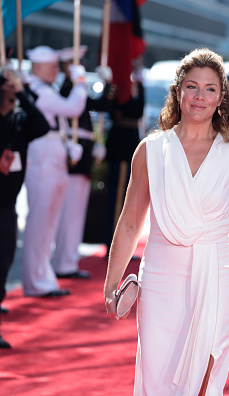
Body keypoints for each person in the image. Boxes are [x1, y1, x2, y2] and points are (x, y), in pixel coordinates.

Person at [103, 48, 229, 395]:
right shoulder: (150, 149)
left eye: (210, 88)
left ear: (222, 97)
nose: (200, 96)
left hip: (216, 275)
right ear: (178, 92)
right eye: (192, 86)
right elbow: (131, 222)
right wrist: (111, 281)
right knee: (158, 374)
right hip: (161, 275)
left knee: (204, 378)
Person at [21, 45, 87, 297]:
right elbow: (73, 108)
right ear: (38, 69)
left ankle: (43, 278)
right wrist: (81, 81)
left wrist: (67, 147)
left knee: (48, 224)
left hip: (52, 156)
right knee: (40, 223)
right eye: (52, 67)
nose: (56, 71)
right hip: (42, 161)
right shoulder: (39, 91)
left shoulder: (43, 89)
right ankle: (36, 281)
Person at [51, 46, 114, 279]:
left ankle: (67, 260)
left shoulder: (75, 88)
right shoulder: (68, 88)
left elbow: (101, 106)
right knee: (70, 212)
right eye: (77, 64)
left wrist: (107, 85)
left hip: (83, 152)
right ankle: (64, 262)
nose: (82, 68)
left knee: (76, 212)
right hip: (73, 155)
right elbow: (75, 109)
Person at [0, 68, 51, 349]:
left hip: (7, 207)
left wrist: (21, 91)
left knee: (3, 264)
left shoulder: (20, 119)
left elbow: (42, 125)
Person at [103, 65, 144, 258]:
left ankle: (120, 244)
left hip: (127, 149)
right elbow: (132, 110)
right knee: (119, 199)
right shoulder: (119, 91)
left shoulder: (130, 90)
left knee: (127, 201)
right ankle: (113, 243)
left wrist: (140, 86)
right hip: (121, 149)